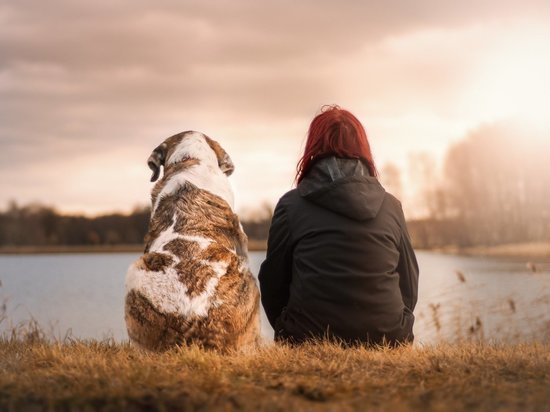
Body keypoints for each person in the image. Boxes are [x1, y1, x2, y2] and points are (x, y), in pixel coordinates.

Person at [258, 105, 419, 346]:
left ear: (313, 148)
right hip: (388, 338)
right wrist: (397, 325)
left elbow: (273, 283)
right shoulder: (391, 206)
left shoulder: (291, 205)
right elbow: (409, 282)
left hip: (307, 338)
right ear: (363, 148)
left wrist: (286, 328)